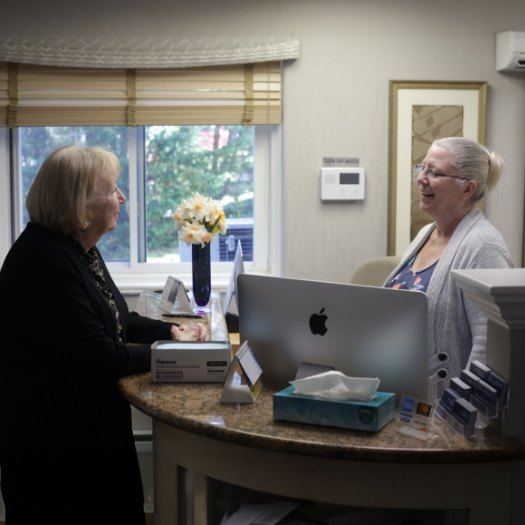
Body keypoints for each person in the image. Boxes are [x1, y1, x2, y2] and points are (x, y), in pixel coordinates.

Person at [0, 146, 208, 524]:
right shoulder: (44, 262)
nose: (122, 197)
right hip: (55, 452)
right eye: (112, 189)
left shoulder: (78, 250)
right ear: (81, 202)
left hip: (83, 435)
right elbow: (101, 357)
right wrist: (171, 354)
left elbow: (120, 320)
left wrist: (173, 331)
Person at [384, 137, 513, 398]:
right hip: (400, 396)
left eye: (434, 172)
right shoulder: (425, 233)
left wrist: (456, 417)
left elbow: (489, 348)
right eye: (422, 168)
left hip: (442, 414)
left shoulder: (484, 247)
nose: (422, 178)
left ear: (467, 189)